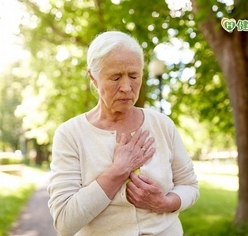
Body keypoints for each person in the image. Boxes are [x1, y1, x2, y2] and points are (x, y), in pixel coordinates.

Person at [48, 30, 199, 236]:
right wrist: (119, 169)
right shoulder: (70, 134)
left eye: (134, 76)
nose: (127, 87)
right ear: (93, 77)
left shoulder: (162, 124)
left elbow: (189, 186)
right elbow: (65, 222)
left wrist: (164, 202)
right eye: (116, 77)